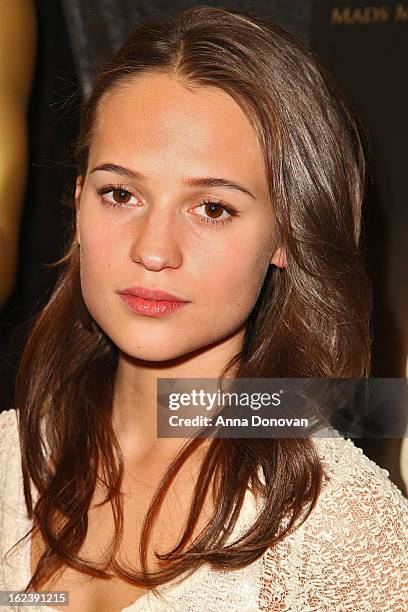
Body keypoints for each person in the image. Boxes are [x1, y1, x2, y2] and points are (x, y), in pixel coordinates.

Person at [0, 5, 407, 611]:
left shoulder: (341, 529)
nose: (153, 250)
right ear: (79, 201)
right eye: (120, 193)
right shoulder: (7, 457)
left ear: (287, 237)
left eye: (212, 207)